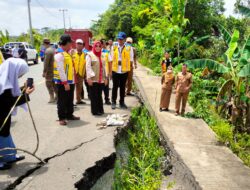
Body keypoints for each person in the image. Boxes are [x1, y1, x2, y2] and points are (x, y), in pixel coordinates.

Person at [0, 58, 34, 170]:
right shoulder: (2, 83)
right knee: (2, 135)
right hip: (1, 114)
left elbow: (9, 97)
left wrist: (23, 90)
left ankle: (10, 156)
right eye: (20, 73)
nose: (20, 76)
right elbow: (8, 102)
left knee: (5, 133)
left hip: (3, 115)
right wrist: (25, 95)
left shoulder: (6, 80)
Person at [54, 34, 80, 125]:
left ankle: (69, 114)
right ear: (67, 43)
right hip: (63, 82)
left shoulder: (67, 53)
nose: (71, 45)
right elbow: (60, 70)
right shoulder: (59, 54)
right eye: (70, 43)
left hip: (70, 81)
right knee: (62, 100)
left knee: (69, 99)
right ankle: (61, 118)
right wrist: (65, 83)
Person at [109, 32, 134, 109]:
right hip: (115, 70)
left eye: (121, 39)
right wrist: (110, 71)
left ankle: (122, 102)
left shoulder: (129, 48)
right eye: (118, 39)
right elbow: (110, 58)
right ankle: (113, 102)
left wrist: (129, 69)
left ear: (124, 40)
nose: (119, 40)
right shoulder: (114, 46)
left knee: (123, 87)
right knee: (115, 87)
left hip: (124, 71)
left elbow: (131, 59)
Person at [86, 41, 108, 115]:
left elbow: (104, 68)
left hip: (101, 79)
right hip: (93, 79)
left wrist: (105, 78)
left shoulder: (102, 55)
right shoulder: (89, 55)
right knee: (94, 96)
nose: (98, 47)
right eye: (96, 46)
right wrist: (88, 78)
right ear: (94, 46)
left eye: (99, 46)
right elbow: (88, 67)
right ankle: (95, 111)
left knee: (99, 95)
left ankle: (100, 109)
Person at [42, 38, 58, 103]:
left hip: (49, 70)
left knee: (48, 83)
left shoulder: (47, 51)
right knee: (54, 83)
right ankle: (57, 95)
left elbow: (46, 62)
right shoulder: (53, 49)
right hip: (54, 69)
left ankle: (52, 97)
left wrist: (44, 71)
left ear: (44, 43)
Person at [72, 39, 86, 105]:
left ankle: (78, 100)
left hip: (81, 73)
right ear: (76, 45)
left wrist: (85, 74)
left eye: (80, 44)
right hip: (72, 74)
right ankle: (71, 102)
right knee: (72, 88)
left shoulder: (85, 54)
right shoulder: (72, 52)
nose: (79, 45)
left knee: (79, 88)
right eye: (78, 44)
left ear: (83, 46)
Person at [101, 39, 111, 105]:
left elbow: (110, 62)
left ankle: (107, 99)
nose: (105, 45)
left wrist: (110, 72)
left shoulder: (107, 52)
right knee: (99, 88)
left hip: (106, 72)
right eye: (103, 43)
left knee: (106, 87)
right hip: (98, 73)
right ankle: (99, 100)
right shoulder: (95, 51)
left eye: (105, 43)